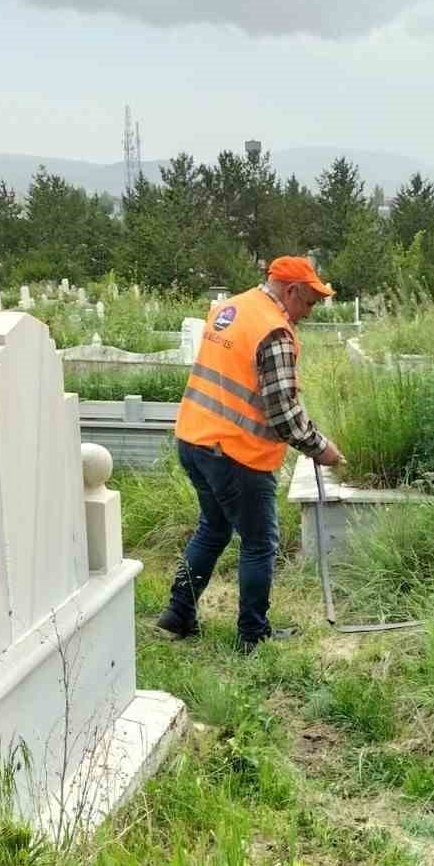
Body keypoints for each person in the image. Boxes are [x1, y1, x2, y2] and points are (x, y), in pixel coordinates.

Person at [155, 257, 345, 654]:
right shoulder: (273, 330)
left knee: (214, 528)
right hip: (235, 453)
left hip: (194, 438)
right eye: (309, 302)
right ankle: (252, 636)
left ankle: (177, 616)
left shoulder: (232, 308)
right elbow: (283, 413)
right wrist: (319, 447)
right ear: (291, 290)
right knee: (260, 543)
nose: (308, 313)